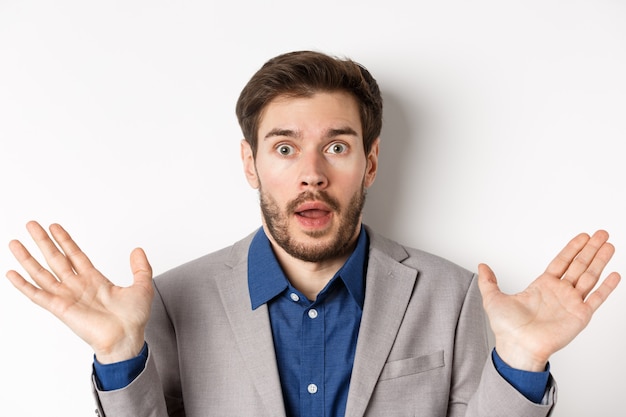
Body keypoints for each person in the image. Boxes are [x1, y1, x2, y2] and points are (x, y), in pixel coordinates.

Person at [6, 50, 621, 417]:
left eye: (336, 145)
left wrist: (521, 361)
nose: (312, 174)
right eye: (284, 147)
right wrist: (119, 356)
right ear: (250, 164)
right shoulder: (167, 302)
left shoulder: (455, 296)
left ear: (371, 162)